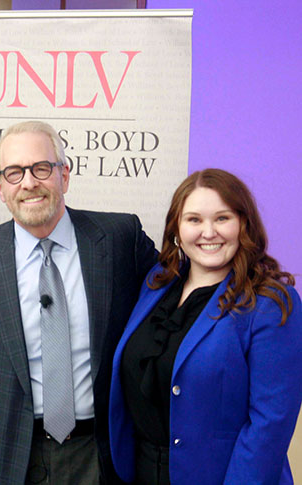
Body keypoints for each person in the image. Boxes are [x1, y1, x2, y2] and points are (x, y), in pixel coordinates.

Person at [0, 120, 157, 485]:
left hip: (97, 453)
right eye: (14, 172)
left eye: (41, 168)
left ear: (65, 174)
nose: (29, 183)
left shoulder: (119, 239)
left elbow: (181, 289)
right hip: (10, 455)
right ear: (0, 186)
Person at [109, 168, 302, 484]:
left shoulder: (272, 303)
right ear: (177, 229)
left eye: (222, 218)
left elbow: (270, 425)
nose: (208, 232)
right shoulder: (156, 285)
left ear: (244, 225)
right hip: (141, 473)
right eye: (194, 220)